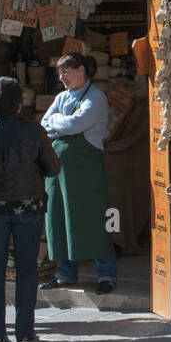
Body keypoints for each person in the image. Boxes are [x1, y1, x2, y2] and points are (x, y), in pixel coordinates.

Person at [0, 77, 61, 342]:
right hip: (28, 207)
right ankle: (25, 330)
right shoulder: (34, 132)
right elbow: (53, 169)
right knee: (27, 268)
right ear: (19, 104)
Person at [40, 52, 117, 294]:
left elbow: (76, 124)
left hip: (87, 171)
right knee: (62, 218)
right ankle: (65, 273)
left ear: (81, 70)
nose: (62, 77)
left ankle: (106, 275)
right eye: (59, 73)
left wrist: (60, 123)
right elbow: (44, 122)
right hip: (60, 170)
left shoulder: (96, 98)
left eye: (66, 71)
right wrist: (64, 122)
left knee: (95, 219)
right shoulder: (62, 97)